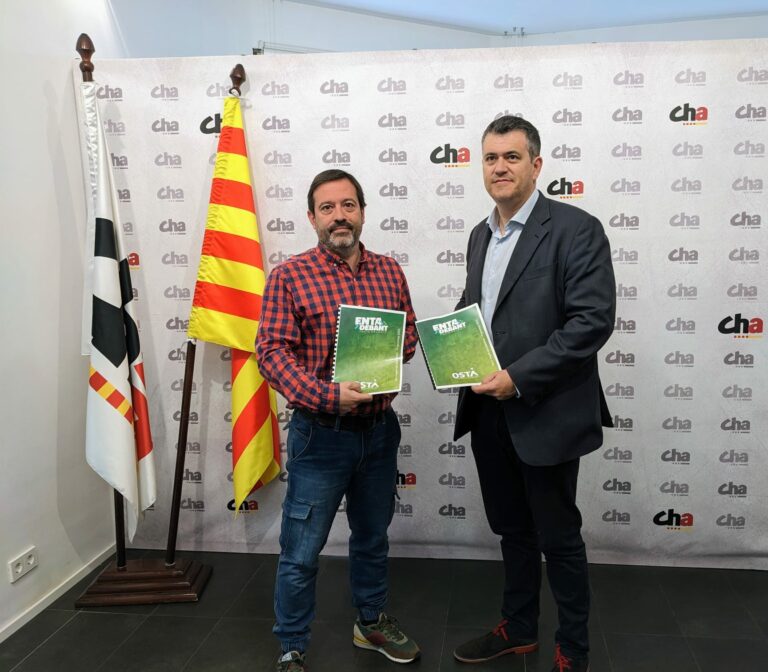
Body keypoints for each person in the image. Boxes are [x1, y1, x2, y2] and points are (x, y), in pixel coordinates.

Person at [451, 116, 615, 672]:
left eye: (512, 157)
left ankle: (574, 649)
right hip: (488, 412)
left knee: (559, 538)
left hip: (545, 411)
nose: (499, 167)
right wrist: (443, 343)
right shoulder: (480, 235)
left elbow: (591, 322)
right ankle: (519, 627)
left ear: (536, 165)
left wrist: (517, 377)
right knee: (512, 531)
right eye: (491, 157)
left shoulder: (576, 228)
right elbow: (475, 313)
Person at [256, 169, 420, 672]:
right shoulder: (289, 276)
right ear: (312, 218)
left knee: (372, 537)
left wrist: (387, 356)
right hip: (320, 437)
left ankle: (370, 623)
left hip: (379, 432)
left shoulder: (389, 271)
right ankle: (291, 646)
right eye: (327, 208)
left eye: (348, 205)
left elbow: (409, 333)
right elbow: (271, 353)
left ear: (362, 212)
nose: (339, 216)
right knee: (302, 551)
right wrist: (328, 395)